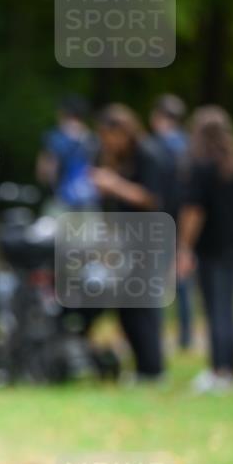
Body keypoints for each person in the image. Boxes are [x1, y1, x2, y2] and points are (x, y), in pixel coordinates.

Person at [87, 104, 169, 380]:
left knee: (143, 305)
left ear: (124, 132)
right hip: (121, 240)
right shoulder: (110, 157)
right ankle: (141, 367)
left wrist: (114, 184)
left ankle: (153, 368)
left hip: (147, 238)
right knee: (125, 305)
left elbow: (153, 198)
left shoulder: (148, 155)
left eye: (110, 136)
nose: (107, 142)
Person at [177, 106, 233, 393]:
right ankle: (229, 370)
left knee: (214, 309)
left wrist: (184, 246)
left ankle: (218, 371)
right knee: (228, 309)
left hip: (209, 248)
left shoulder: (199, 167)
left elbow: (194, 211)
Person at [149, 93, 192, 348]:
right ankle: (185, 336)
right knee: (182, 279)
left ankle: (155, 334)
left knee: (154, 279)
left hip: (160, 218)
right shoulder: (189, 145)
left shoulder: (155, 147)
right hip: (183, 219)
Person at [36, 94, 99, 212]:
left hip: (61, 203)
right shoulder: (94, 138)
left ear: (62, 113)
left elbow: (45, 173)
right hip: (89, 203)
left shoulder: (55, 137)